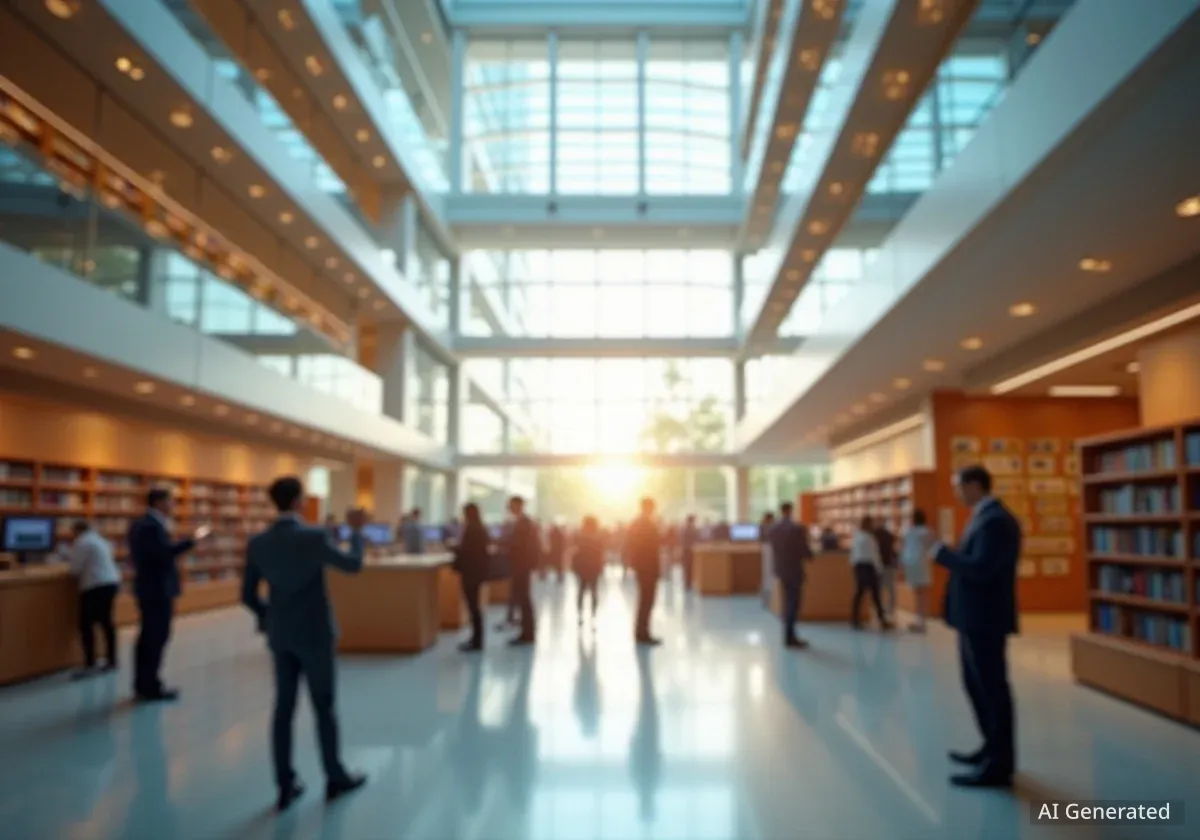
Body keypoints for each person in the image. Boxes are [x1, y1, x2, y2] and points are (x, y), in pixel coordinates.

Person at [241, 476, 368, 811]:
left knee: (283, 709)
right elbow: (352, 565)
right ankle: (334, 776)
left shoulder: (258, 543)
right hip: (315, 633)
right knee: (323, 706)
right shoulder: (313, 537)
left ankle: (284, 784)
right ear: (299, 502)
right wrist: (356, 532)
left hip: (281, 635)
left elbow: (247, 595)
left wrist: (269, 617)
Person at [933, 465, 1021, 788]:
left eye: (958, 486)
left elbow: (981, 569)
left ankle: (999, 765)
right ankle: (990, 748)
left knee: (992, 689)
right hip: (973, 618)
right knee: (977, 686)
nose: (956, 493)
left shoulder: (996, 521)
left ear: (974, 485)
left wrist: (942, 554)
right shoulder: (983, 516)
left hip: (985, 619)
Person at [128, 488, 210, 701]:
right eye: (170, 501)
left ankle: (144, 683)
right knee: (156, 637)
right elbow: (162, 554)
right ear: (159, 502)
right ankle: (150, 686)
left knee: (150, 636)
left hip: (151, 589)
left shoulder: (143, 524)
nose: (172, 506)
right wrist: (190, 541)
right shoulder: (150, 526)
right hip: (157, 590)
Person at [59, 519, 120, 679]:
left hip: (95, 586)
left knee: (85, 624)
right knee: (107, 623)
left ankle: (90, 663)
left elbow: (74, 570)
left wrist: (65, 556)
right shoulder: (100, 540)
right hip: (110, 582)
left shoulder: (82, 542)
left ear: (77, 531)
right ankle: (111, 660)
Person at [769, 503, 812, 649]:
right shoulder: (796, 528)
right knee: (793, 603)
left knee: (787, 602)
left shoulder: (774, 528)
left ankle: (788, 635)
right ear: (791, 511)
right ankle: (790, 637)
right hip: (794, 570)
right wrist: (810, 555)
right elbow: (804, 551)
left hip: (781, 569)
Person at [452, 503, 491, 652]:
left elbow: (467, 551)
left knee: (473, 607)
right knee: (475, 607)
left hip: (471, 573)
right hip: (478, 572)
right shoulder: (481, 527)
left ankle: (476, 641)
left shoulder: (471, 529)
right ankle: (476, 639)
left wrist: (454, 548)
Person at [624, 498, 662, 645]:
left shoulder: (637, 523)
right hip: (648, 567)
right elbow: (651, 545)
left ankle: (642, 632)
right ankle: (643, 634)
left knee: (645, 601)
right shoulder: (646, 524)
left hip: (643, 567)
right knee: (647, 601)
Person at [503, 495, 540, 646]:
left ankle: (527, 634)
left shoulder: (523, 523)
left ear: (518, 505)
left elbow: (519, 546)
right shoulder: (523, 521)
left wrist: (506, 544)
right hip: (522, 566)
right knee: (523, 599)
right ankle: (526, 632)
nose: (509, 508)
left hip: (521, 566)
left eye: (511, 505)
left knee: (524, 599)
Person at [849, 515, 890, 631]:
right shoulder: (870, 538)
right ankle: (882, 620)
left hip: (858, 566)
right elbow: (874, 555)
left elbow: (853, 554)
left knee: (859, 594)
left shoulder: (856, 537)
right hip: (869, 567)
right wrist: (879, 568)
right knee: (875, 595)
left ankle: (855, 619)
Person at [902, 510, 935, 632]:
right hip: (922, 563)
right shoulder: (927, 532)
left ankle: (918, 620)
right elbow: (932, 547)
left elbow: (904, 547)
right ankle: (922, 621)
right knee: (923, 593)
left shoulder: (908, 531)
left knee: (917, 592)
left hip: (910, 563)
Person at [573, 516, 605, 623]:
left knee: (581, 591)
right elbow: (600, 554)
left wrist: (575, 568)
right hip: (594, 568)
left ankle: (580, 614)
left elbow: (576, 553)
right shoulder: (598, 538)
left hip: (582, 568)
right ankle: (593, 614)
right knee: (594, 591)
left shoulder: (580, 536)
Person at [874, 521, 898, 617]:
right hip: (889, 564)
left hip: (879, 565)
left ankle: (880, 608)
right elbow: (894, 551)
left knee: (879, 589)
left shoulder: (875, 537)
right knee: (891, 588)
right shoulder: (890, 536)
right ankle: (891, 608)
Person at [758, 511, 776, 604]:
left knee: (767, 570)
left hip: (767, 548)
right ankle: (767, 593)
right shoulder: (769, 527)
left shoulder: (763, 526)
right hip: (769, 548)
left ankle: (767, 593)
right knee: (768, 570)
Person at [679, 515, 698, 591]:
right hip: (688, 550)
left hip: (686, 550)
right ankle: (688, 583)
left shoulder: (684, 528)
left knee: (687, 568)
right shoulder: (691, 529)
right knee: (688, 567)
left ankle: (688, 583)